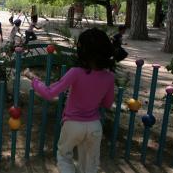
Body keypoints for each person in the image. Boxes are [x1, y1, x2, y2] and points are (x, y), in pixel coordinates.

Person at [23, 28, 115, 173]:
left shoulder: (76, 73)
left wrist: (33, 79)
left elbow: (50, 93)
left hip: (73, 124)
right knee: (90, 164)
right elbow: (107, 104)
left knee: (64, 157)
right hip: (94, 126)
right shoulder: (109, 77)